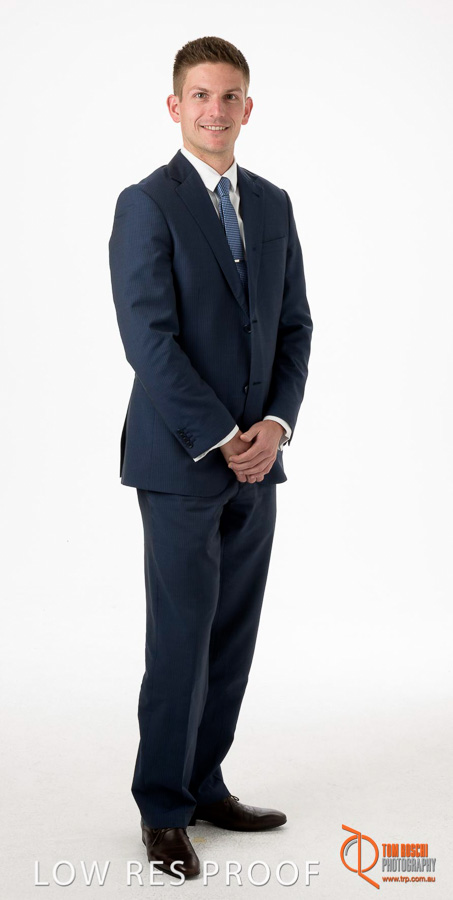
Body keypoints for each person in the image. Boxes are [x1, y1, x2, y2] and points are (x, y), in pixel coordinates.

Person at [108, 35, 313, 879]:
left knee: (231, 637)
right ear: (174, 106)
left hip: (258, 463)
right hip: (180, 461)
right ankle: (162, 809)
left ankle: (204, 784)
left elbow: (294, 326)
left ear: (247, 107)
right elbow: (148, 340)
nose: (215, 110)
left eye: (229, 96)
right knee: (181, 642)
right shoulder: (145, 204)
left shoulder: (271, 204)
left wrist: (275, 424)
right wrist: (222, 435)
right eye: (200, 95)